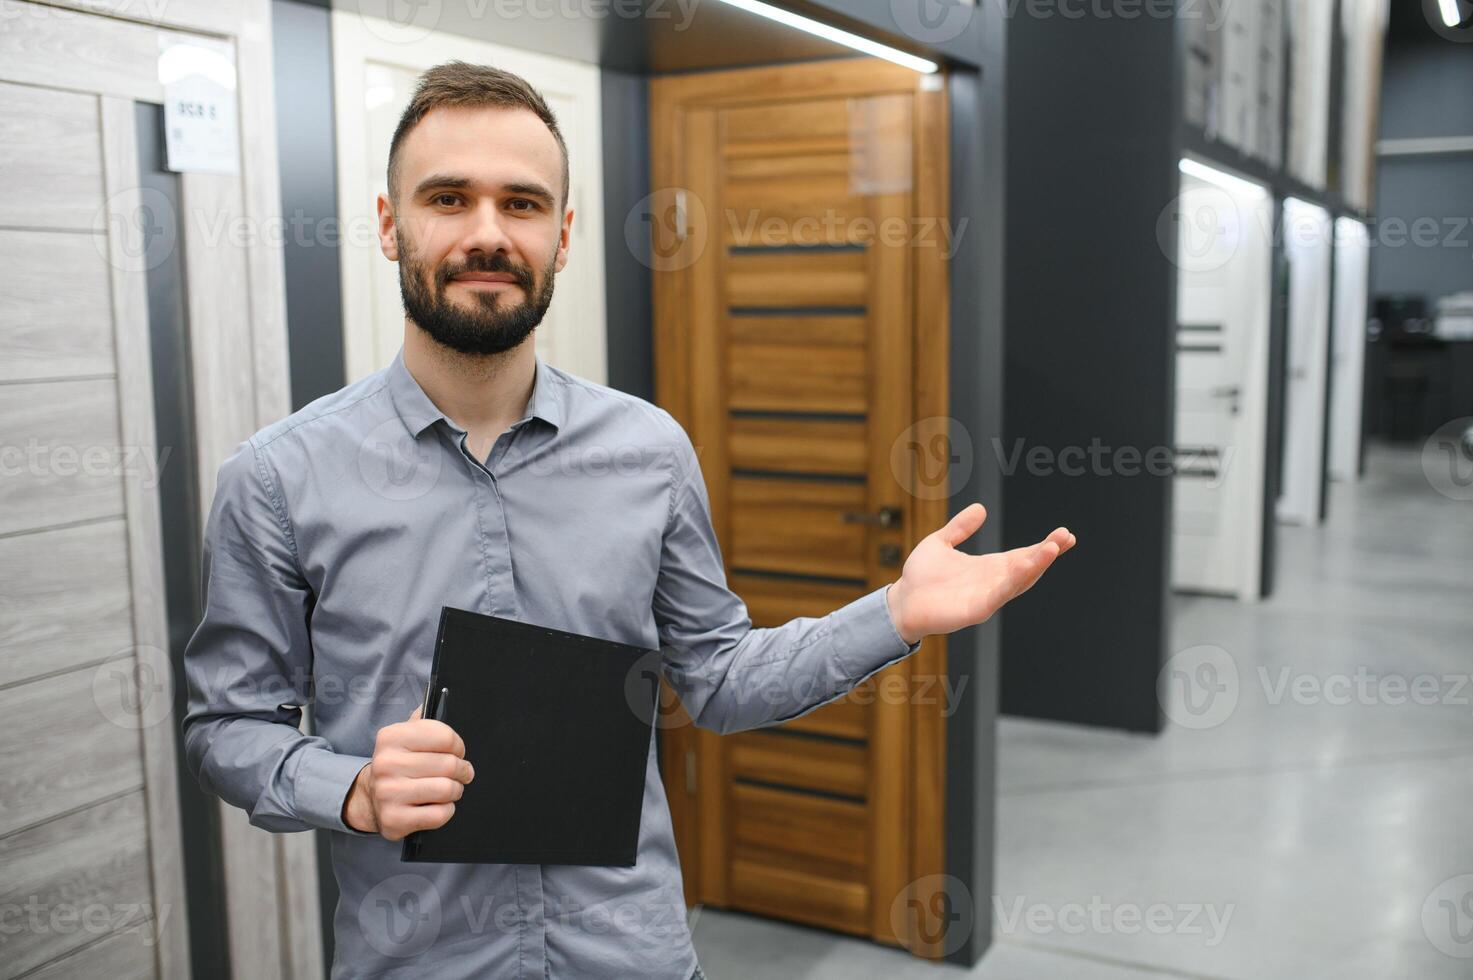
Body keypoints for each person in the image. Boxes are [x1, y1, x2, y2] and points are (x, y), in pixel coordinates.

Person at [181, 60, 1076, 980]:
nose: (486, 233)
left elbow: (720, 680)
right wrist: (356, 788)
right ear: (387, 225)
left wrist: (894, 612)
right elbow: (228, 726)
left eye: (522, 204)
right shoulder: (278, 479)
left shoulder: (649, 451)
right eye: (447, 198)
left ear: (562, 237)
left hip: (631, 956)